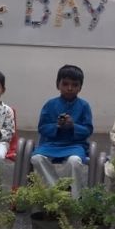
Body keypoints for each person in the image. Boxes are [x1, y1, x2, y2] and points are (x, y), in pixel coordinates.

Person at [30, 64, 93, 198]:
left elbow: (88, 129)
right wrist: (56, 126)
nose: (69, 88)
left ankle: (75, 197)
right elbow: (42, 127)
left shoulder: (84, 106)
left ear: (80, 87)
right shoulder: (50, 104)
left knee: (74, 161)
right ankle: (57, 190)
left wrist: (73, 126)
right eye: (65, 84)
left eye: (74, 85)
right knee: (36, 158)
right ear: (58, 85)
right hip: (50, 144)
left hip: (75, 145)